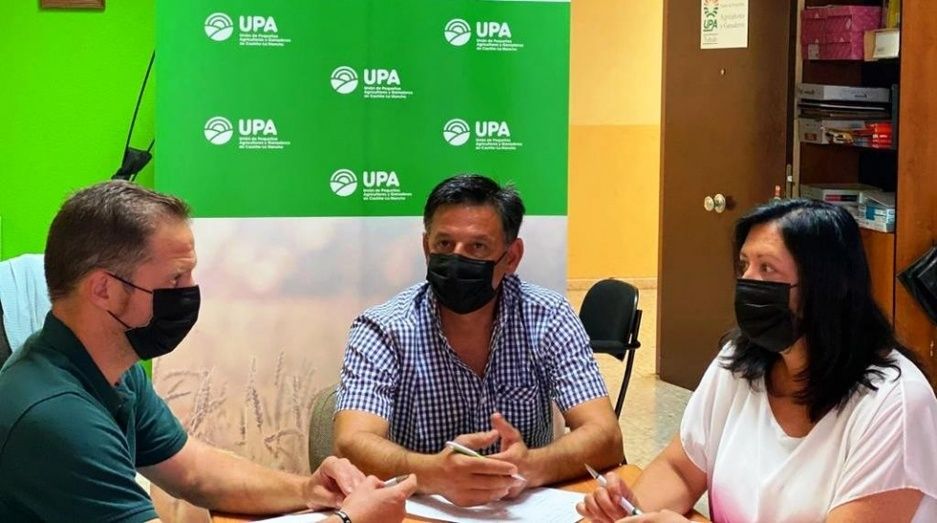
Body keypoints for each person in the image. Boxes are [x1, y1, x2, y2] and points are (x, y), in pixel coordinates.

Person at [0, 181, 417, 523]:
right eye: (176, 278)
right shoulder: (55, 416)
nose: (190, 292)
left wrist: (307, 490)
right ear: (104, 290)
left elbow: (194, 470)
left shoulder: (110, 370)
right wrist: (348, 521)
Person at [578, 199, 937, 523]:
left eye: (767, 268)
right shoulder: (739, 361)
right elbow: (681, 469)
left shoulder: (897, 404)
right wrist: (631, 509)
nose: (748, 282)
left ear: (827, 286)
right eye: (744, 266)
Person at [333, 174, 623, 507]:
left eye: (477, 247)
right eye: (444, 244)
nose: (457, 259)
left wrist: (531, 467)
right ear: (426, 248)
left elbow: (605, 435)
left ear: (511, 257)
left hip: (523, 507)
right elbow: (349, 443)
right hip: (422, 509)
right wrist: (433, 474)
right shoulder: (383, 328)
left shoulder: (549, 317)